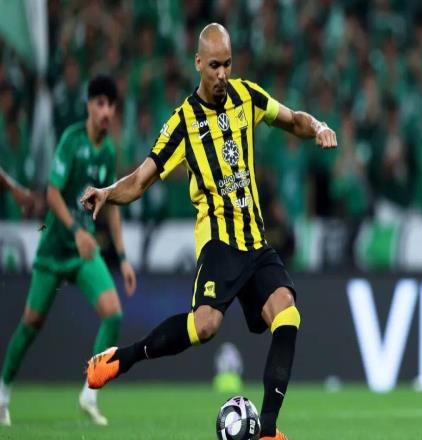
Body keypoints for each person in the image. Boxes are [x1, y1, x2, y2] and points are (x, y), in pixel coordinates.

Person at [81, 24, 336, 440]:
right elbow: (141, 179)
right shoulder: (183, 122)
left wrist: (319, 126)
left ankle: (268, 431)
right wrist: (108, 193)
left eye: (228, 64)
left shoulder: (246, 96)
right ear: (198, 63)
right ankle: (122, 358)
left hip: (255, 241)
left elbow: (293, 120)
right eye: (214, 65)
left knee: (287, 312)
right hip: (219, 243)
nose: (222, 74)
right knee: (205, 327)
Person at [0, 75, 137, 427]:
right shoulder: (71, 140)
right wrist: (76, 231)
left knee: (114, 314)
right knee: (31, 322)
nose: (106, 111)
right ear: (89, 106)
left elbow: (112, 205)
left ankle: (89, 394)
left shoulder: (108, 152)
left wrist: (123, 258)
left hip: (83, 250)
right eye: (100, 104)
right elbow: (52, 193)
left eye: (111, 105)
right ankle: (2, 394)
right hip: (55, 249)